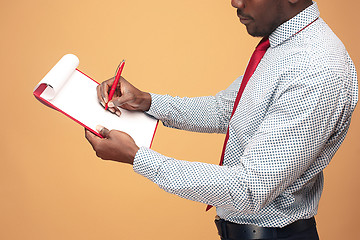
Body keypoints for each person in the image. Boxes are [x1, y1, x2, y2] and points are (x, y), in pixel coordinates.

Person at [85, 0, 358, 239]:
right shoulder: (286, 45)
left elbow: (249, 189)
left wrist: (138, 158)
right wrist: (146, 101)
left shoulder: (315, 69)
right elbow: (227, 110)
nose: (235, 2)